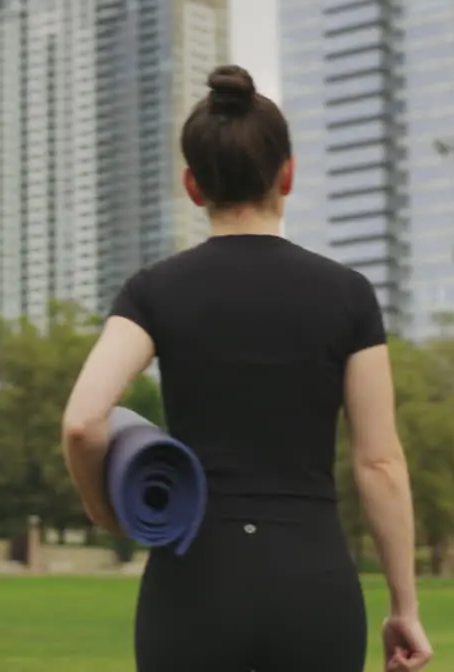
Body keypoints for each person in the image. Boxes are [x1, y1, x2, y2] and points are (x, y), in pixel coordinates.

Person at [61, 65, 433, 672]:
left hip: (193, 582)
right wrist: (403, 606)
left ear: (192, 185)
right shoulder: (349, 295)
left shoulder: (153, 291)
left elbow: (82, 423)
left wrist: (105, 510)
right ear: (286, 175)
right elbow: (380, 463)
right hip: (313, 586)